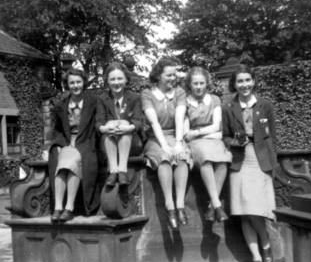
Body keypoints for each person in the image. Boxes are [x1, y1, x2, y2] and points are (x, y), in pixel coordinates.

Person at [222, 64, 278, 262]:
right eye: (240, 81)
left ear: (253, 81)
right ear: (234, 84)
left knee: (255, 209)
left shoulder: (265, 105)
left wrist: (274, 164)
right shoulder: (228, 107)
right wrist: (235, 142)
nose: (244, 85)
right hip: (239, 160)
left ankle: (265, 243)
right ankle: (256, 258)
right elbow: (224, 136)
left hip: (260, 160)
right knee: (244, 212)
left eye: (247, 80)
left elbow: (272, 136)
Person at [141, 57, 191, 230]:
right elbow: (154, 123)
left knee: (182, 156)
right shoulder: (147, 94)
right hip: (156, 138)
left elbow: (179, 118)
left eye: (174, 75)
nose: (173, 78)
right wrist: (165, 146)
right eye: (169, 75)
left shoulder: (179, 93)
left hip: (174, 135)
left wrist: (178, 143)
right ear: (158, 75)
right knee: (164, 157)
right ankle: (170, 208)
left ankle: (180, 206)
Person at [47, 68, 100, 223]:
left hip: (86, 142)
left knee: (68, 163)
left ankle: (67, 207)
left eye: (78, 82)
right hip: (67, 143)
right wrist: (57, 144)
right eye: (72, 83)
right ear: (67, 85)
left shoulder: (93, 102)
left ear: (83, 83)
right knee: (63, 163)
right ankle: (58, 208)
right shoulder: (61, 105)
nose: (75, 85)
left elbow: (98, 125)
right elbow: (56, 130)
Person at [183, 67, 232, 222]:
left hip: (211, 139)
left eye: (201, 83)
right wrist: (205, 133)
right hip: (197, 143)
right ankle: (217, 204)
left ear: (207, 84)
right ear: (190, 85)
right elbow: (186, 132)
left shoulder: (215, 99)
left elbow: (217, 125)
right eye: (195, 83)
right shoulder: (184, 101)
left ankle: (212, 206)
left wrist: (198, 132)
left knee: (224, 159)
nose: (198, 87)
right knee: (205, 158)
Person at [96, 62, 144, 186]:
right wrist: (105, 128)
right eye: (112, 79)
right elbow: (99, 122)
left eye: (119, 78)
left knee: (123, 122)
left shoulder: (135, 97)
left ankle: (121, 170)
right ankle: (113, 170)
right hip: (109, 141)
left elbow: (139, 121)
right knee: (111, 123)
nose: (116, 82)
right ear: (107, 81)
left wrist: (128, 128)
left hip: (131, 141)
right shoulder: (102, 98)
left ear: (126, 80)